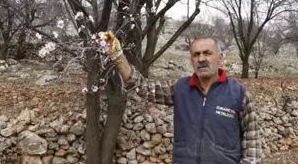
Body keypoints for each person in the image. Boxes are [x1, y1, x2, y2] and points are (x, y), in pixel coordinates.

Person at [102, 31, 262, 164]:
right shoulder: (180, 88)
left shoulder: (238, 92)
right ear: (191, 59)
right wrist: (118, 56)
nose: (201, 59)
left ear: (220, 58)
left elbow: (252, 135)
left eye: (208, 53)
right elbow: (142, 87)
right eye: (196, 54)